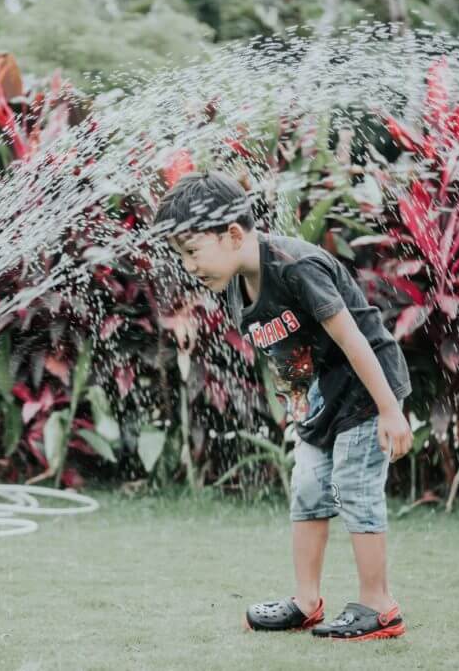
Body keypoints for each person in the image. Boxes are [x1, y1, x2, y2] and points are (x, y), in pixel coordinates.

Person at [156, 171, 414, 641]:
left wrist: (390, 409)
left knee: (354, 488)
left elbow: (354, 338)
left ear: (233, 235)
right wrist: (299, 408)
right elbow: (288, 356)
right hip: (317, 402)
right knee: (309, 492)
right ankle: (306, 601)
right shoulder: (235, 284)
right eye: (182, 255)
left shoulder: (295, 268)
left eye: (192, 252)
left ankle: (379, 606)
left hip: (362, 393)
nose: (189, 265)